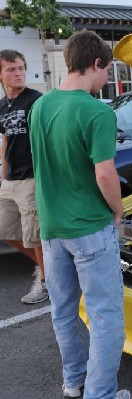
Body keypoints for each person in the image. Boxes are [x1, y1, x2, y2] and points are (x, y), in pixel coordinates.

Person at [28, 31, 131, 399]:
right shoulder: (97, 110)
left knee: (63, 310)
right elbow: (105, 175)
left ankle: (74, 382)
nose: (107, 80)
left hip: (51, 228)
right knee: (106, 319)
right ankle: (101, 394)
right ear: (96, 63)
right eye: (108, 70)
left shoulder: (40, 106)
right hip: (89, 228)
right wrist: (118, 214)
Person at [0, 49, 47, 304]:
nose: (18, 73)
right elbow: (6, 138)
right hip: (11, 180)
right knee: (5, 229)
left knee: (34, 234)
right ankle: (44, 266)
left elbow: (46, 139)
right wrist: (3, 173)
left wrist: (40, 176)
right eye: (11, 69)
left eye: (20, 68)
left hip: (32, 178)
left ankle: (45, 281)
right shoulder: (2, 106)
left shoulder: (36, 100)